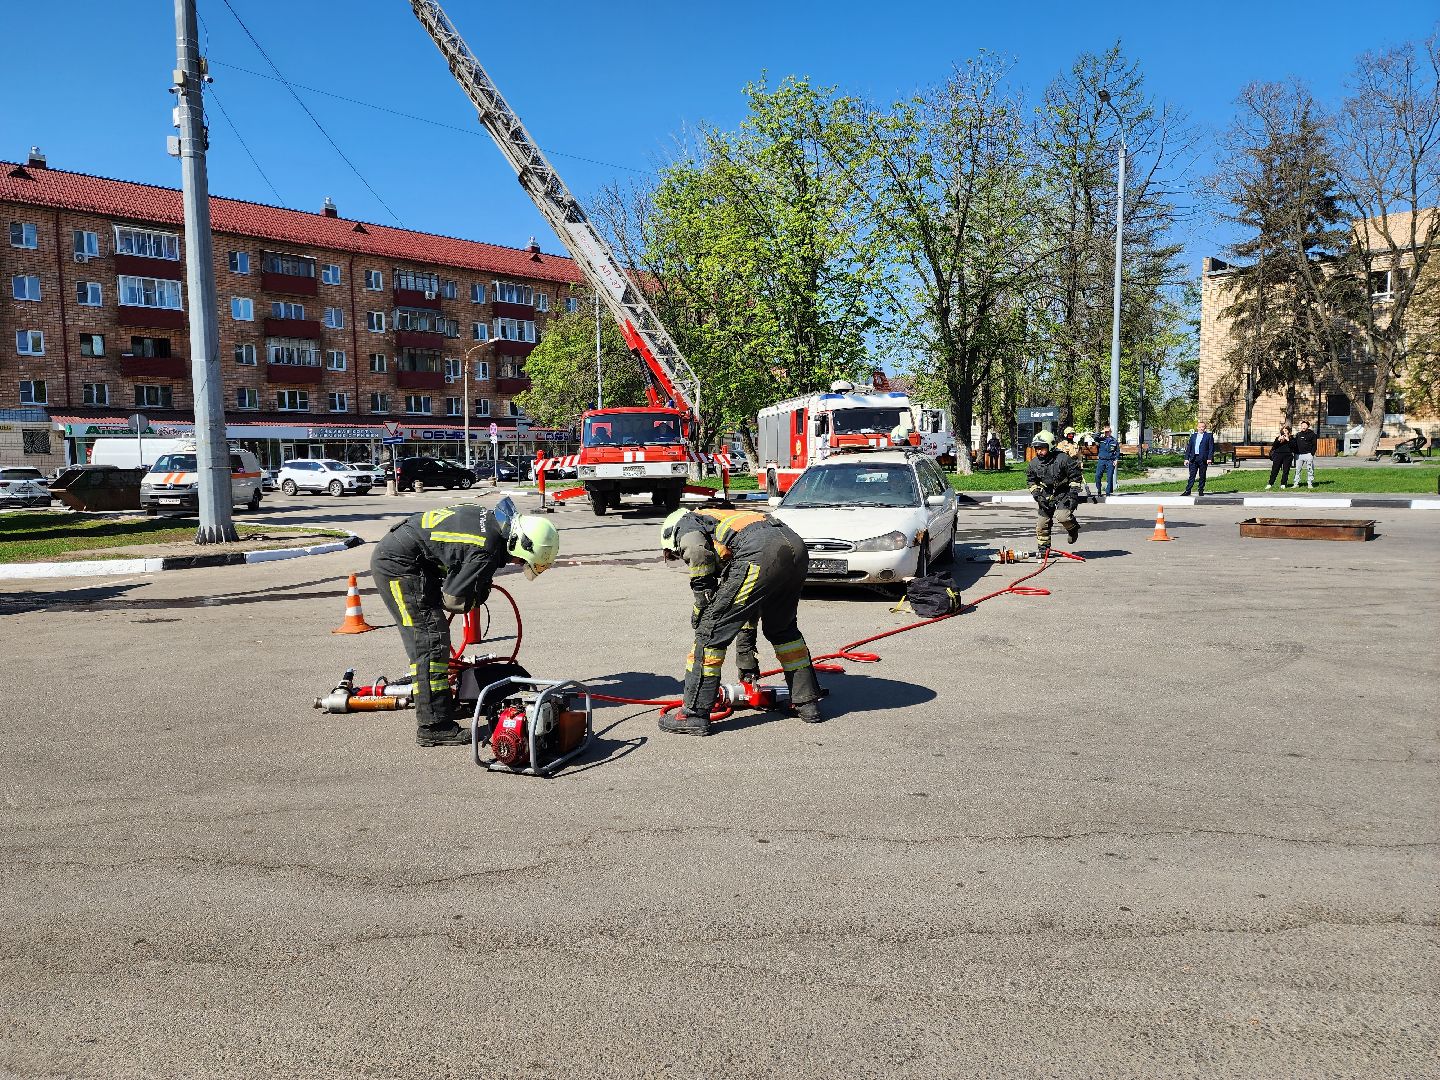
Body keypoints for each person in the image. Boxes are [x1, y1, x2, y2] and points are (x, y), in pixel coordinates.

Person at [370, 497, 559, 746]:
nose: (517, 564)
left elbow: (453, 552)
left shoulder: (488, 519)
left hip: (408, 557)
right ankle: (433, 725)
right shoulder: (487, 550)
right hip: (399, 567)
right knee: (430, 641)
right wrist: (480, 591)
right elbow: (453, 600)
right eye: (522, 560)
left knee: (432, 638)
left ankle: (441, 706)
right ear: (520, 544)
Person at [658, 507, 822, 735]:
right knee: (783, 630)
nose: (681, 560)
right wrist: (747, 667)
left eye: (676, 555)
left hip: (760, 551)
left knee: (709, 634)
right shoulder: (723, 522)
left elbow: (696, 550)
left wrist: (702, 601)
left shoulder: (687, 521)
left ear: (671, 533)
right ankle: (805, 703)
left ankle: (694, 714)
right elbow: (746, 613)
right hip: (795, 549)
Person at [1026, 431, 1083, 553]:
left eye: (1042, 448)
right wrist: (1037, 495)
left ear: (1050, 447)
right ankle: (1044, 550)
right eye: (1037, 449)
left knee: (1063, 516)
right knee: (1042, 524)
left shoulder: (1063, 459)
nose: (1039, 452)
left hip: (1064, 492)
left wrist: (1073, 494)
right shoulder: (1034, 464)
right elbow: (1031, 481)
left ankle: (1073, 529)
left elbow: (1076, 476)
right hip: (1046, 494)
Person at [1182, 421, 1215, 497]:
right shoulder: (1193, 436)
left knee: (1202, 475)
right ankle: (1188, 490)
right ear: (1197, 427)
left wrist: (1209, 458)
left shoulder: (1208, 436)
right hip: (1193, 458)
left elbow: (1211, 448)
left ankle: (1200, 490)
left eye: (1202, 427)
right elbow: (1189, 448)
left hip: (1203, 458)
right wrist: (1186, 459)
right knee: (1192, 476)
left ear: (1205, 428)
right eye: (1199, 427)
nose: (1201, 428)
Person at [1094, 424, 1120, 497]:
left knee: (1109, 477)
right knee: (1097, 476)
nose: (1107, 433)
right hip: (1101, 460)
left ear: (1110, 432)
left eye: (1108, 431)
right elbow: (1095, 437)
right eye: (1105, 432)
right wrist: (1101, 432)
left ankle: (1108, 493)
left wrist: (1116, 459)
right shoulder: (1101, 439)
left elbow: (1117, 451)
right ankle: (1099, 490)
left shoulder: (1114, 441)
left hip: (1110, 461)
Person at [1267, 425, 1295, 490]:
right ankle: (1270, 484)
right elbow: (1274, 446)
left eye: (1286, 430)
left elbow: (1293, 446)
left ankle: (1283, 484)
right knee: (1274, 470)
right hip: (1278, 455)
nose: (1284, 431)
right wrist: (1278, 440)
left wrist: (1288, 440)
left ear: (1288, 431)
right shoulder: (1278, 437)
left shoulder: (1292, 438)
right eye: (1283, 430)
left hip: (1288, 456)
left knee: (1286, 470)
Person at [1292, 420, 1318, 489]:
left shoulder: (1312, 434)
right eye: (1302, 426)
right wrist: (1295, 452)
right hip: (1299, 455)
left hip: (1308, 454)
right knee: (1297, 470)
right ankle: (1296, 483)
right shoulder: (1298, 434)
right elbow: (1295, 444)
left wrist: (1312, 454)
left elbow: (1314, 445)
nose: (1303, 427)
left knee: (1310, 469)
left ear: (1308, 426)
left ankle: (1310, 483)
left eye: (1305, 426)